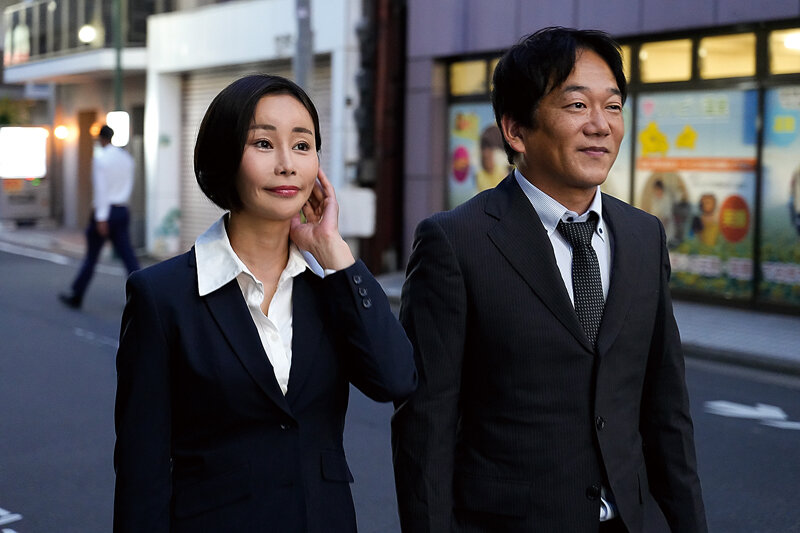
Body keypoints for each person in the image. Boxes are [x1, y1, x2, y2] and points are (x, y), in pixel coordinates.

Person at [392, 27, 707, 533]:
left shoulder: (644, 235)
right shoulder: (455, 242)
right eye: (577, 105)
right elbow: (425, 425)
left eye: (613, 106)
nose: (601, 125)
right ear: (516, 130)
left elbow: (667, 408)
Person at [113, 74, 416, 532]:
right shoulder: (162, 296)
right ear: (224, 157)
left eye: (302, 145)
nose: (287, 165)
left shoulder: (329, 287)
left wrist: (336, 253)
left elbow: (396, 378)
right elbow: (142, 471)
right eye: (263, 143)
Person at [59, 124, 140, 309]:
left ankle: (77, 294)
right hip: (122, 209)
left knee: (92, 255)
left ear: (101, 139)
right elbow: (128, 185)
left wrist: (101, 217)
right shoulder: (126, 158)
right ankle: (143, 294)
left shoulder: (101, 159)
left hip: (105, 211)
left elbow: (101, 190)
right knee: (128, 255)